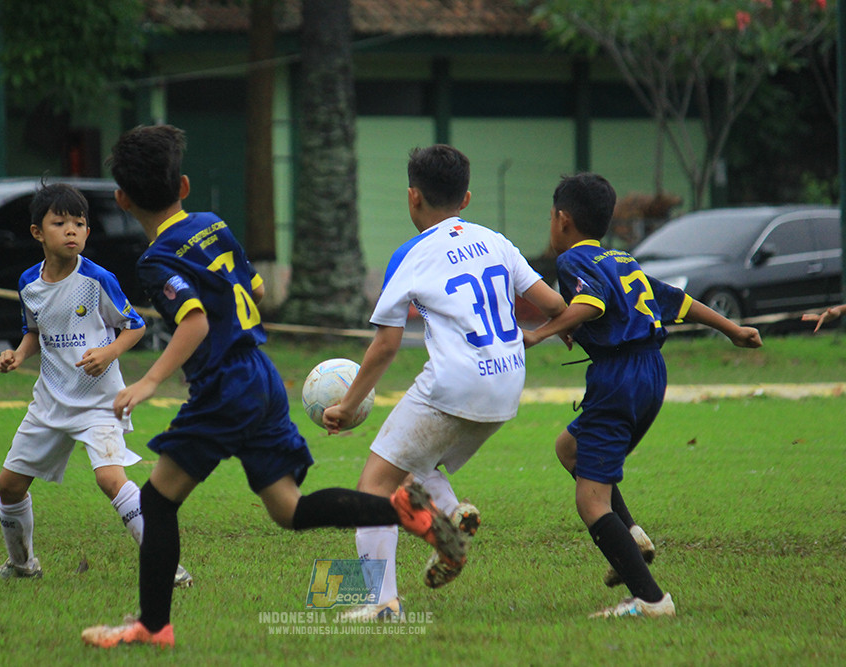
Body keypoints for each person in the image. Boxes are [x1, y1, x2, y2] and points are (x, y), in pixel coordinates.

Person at [81, 125, 465, 649]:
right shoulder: (212, 225)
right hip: (260, 376)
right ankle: (408, 512)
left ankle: (153, 627)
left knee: (156, 500)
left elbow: (193, 321)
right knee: (288, 509)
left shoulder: (156, 260)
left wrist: (148, 381)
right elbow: (256, 290)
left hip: (224, 388)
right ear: (184, 186)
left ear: (123, 199)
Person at [323, 144, 568, 621]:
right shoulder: (495, 241)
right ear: (466, 198)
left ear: (412, 196)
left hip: (455, 385)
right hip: (506, 385)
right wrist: (544, 335)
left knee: (373, 485)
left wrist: (348, 407)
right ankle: (451, 512)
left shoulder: (410, 255)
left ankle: (382, 603)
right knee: (412, 463)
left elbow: (385, 346)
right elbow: (554, 305)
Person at [522, 172, 762, 618]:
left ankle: (651, 600)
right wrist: (732, 329)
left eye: (550, 218)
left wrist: (542, 332)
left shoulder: (573, 260)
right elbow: (678, 301)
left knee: (590, 501)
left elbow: (591, 304)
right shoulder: (621, 259)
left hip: (618, 376)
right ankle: (631, 532)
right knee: (569, 448)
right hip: (651, 372)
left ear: (562, 219)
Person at [0, 182, 193, 588]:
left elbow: (135, 326)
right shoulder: (29, 283)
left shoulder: (97, 279)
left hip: (98, 403)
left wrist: (109, 352)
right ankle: (22, 565)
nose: (71, 230)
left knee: (110, 479)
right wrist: (18, 355)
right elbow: (35, 331)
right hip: (50, 403)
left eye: (79, 224)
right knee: (8, 485)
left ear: (87, 232)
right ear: (37, 233)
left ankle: (168, 566)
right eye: (60, 223)